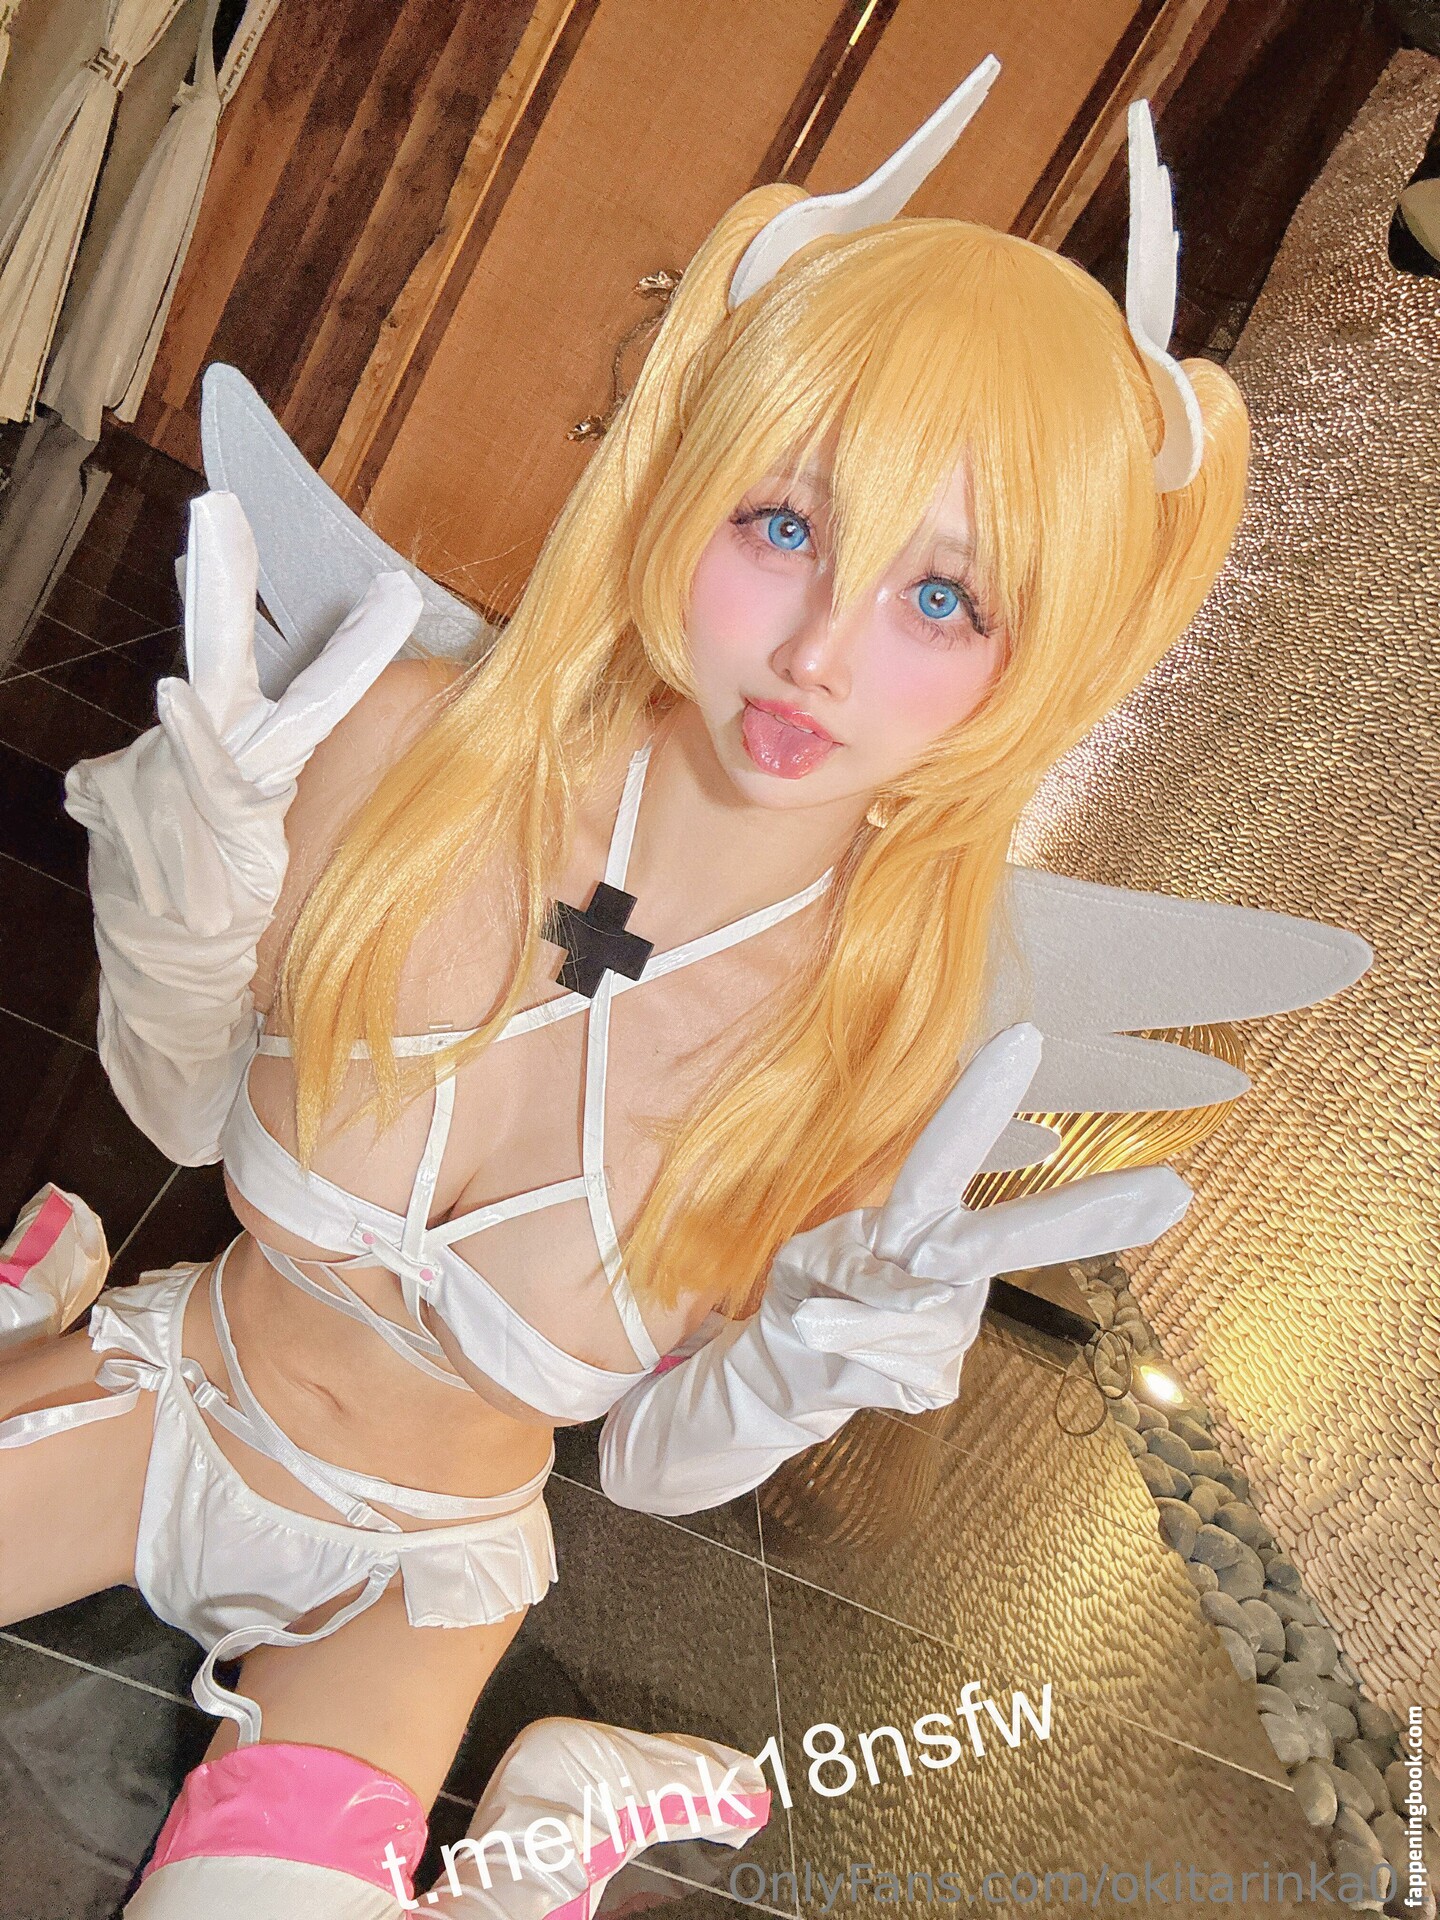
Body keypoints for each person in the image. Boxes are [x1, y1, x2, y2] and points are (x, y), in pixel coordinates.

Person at [0, 64, 1353, 1920]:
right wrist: (175, 931)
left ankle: (552, 1817)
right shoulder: (407, 748)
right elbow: (175, 1106)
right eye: (784, 526)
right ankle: (47, 1299)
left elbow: (642, 1461)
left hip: (413, 1579)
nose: (818, 655)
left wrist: (803, 1366)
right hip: (176, 1396)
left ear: (1040, 657)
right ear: (683, 483)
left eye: (944, 600)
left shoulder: (882, 1040)